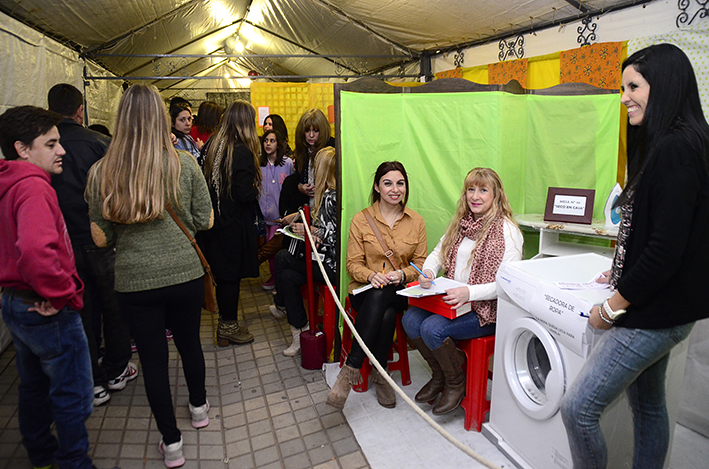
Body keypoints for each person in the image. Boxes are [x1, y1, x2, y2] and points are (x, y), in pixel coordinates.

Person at [560, 43, 709, 469]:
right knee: (647, 405)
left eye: (633, 86)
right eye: (623, 87)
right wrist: (623, 263)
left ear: (663, 87)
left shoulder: (676, 148)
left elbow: (666, 250)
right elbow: (670, 231)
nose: (623, 97)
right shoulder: (675, 142)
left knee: (577, 408)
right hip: (664, 306)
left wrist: (609, 308)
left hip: (654, 312)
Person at [86, 85, 213, 468]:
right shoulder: (183, 163)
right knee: (190, 344)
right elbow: (204, 219)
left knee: (155, 363)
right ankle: (199, 409)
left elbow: (101, 236)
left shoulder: (102, 172)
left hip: (134, 282)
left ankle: (171, 445)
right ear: (161, 118)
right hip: (185, 275)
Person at [0, 106, 96, 468]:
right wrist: (59, 295)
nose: (62, 151)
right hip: (44, 308)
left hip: (15, 302)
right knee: (73, 394)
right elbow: (37, 251)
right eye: (51, 143)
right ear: (23, 149)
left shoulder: (8, 183)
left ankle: (40, 456)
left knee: (33, 388)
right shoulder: (33, 188)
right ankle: (74, 463)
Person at [402, 167, 523, 415]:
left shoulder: (508, 232)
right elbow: (437, 253)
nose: (475, 196)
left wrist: (470, 293)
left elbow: (508, 284)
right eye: (471, 189)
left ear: (496, 195)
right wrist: (428, 272)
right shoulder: (462, 223)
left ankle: (456, 384)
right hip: (456, 301)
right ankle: (440, 376)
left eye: (483, 190)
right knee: (410, 319)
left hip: (486, 310)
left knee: (431, 328)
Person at [48, 83, 136, 407]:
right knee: (115, 308)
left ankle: (93, 381)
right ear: (80, 110)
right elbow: (120, 193)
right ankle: (115, 370)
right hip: (102, 241)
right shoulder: (100, 143)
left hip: (63, 245)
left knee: (82, 312)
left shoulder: (42, 146)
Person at [327, 161, 427, 409]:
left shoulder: (416, 221)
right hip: (365, 291)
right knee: (384, 310)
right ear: (377, 187)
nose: (395, 189)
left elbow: (421, 264)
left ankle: (349, 371)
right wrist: (371, 276)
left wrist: (401, 275)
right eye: (388, 183)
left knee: (387, 301)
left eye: (400, 183)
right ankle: (380, 373)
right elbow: (352, 264)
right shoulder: (361, 220)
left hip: (401, 291)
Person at [198, 100, 262, 346]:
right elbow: (243, 193)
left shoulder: (213, 145)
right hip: (233, 224)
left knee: (222, 276)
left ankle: (226, 326)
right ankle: (228, 327)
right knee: (230, 279)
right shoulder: (242, 151)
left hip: (213, 221)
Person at [272, 147, 338, 356]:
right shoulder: (331, 194)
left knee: (282, 258)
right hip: (327, 261)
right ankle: (299, 330)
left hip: (331, 266)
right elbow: (330, 230)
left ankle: (296, 325)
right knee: (288, 276)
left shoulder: (330, 197)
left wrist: (308, 231)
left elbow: (335, 236)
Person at [257, 129, 294, 290]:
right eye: (266, 140)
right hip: (263, 215)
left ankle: (277, 279)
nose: (268, 144)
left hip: (280, 217)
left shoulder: (287, 163)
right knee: (266, 246)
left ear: (278, 143)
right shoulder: (258, 163)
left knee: (275, 248)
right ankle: (274, 277)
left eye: (272, 140)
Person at [282, 108, 332, 209]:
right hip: (306, 206)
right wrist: (300, 187)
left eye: (316, 131)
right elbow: (297, 178)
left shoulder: (331, 150)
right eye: (307, 131)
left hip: (327, 206)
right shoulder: (302, 150)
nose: (311, 135)